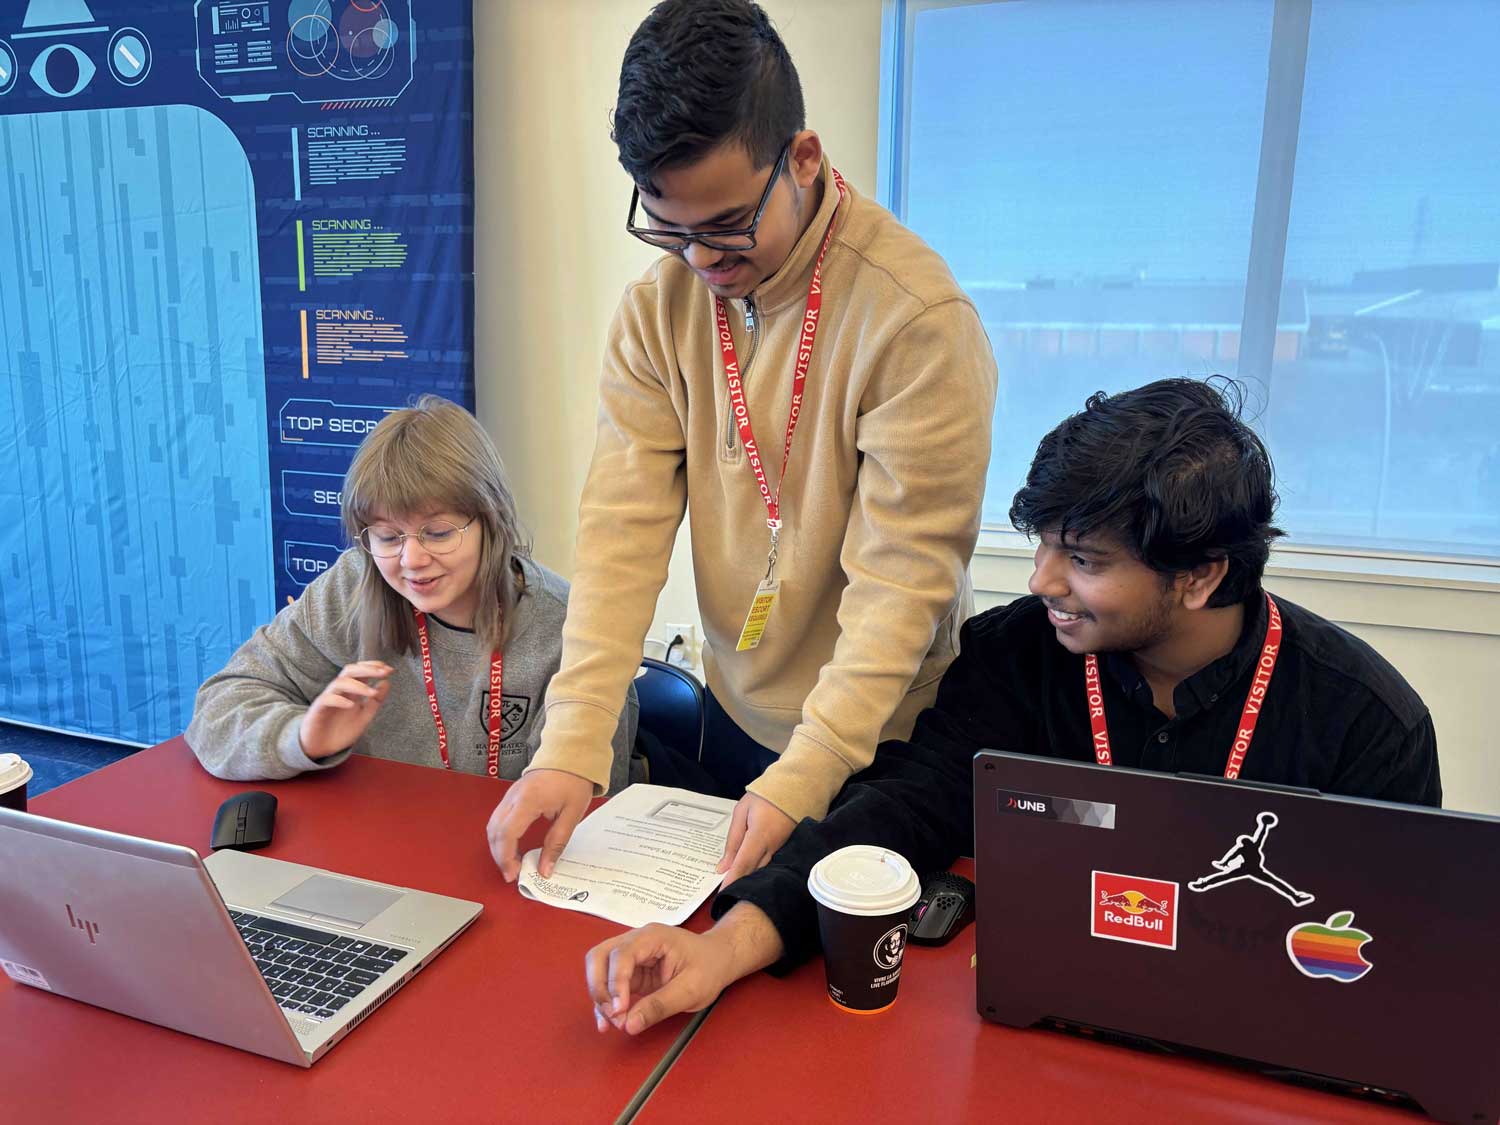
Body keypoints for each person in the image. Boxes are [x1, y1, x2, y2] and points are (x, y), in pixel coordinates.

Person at [580, 376, 1441, 1036]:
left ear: (1200, 575)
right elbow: (902, 809)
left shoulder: (1365, 723)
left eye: (1084, 560)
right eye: (1043, 547)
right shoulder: (1017, 654)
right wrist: (721, 947)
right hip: (1047, 1029)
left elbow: (1399, 957)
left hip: (1258, 1041)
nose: (1041, 581)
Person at [486, 0, 997, 889]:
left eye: (725, 225)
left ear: (804, 158)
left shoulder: (916, 321)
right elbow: (619, 539)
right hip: (736, 709)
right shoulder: (657, 312)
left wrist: (811, 767)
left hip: (883, 733)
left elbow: (900, 585)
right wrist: (571, 743)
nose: (699, 259)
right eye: (668, 227)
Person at [186, 396, 636, 788]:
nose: (412, 560)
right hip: (371, 842)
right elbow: (216, 711)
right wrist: (302, 737)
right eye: (387, 536)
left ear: (492, 522)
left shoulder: (568, 629)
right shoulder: (352, 586)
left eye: (438, 533)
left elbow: (584, 810)